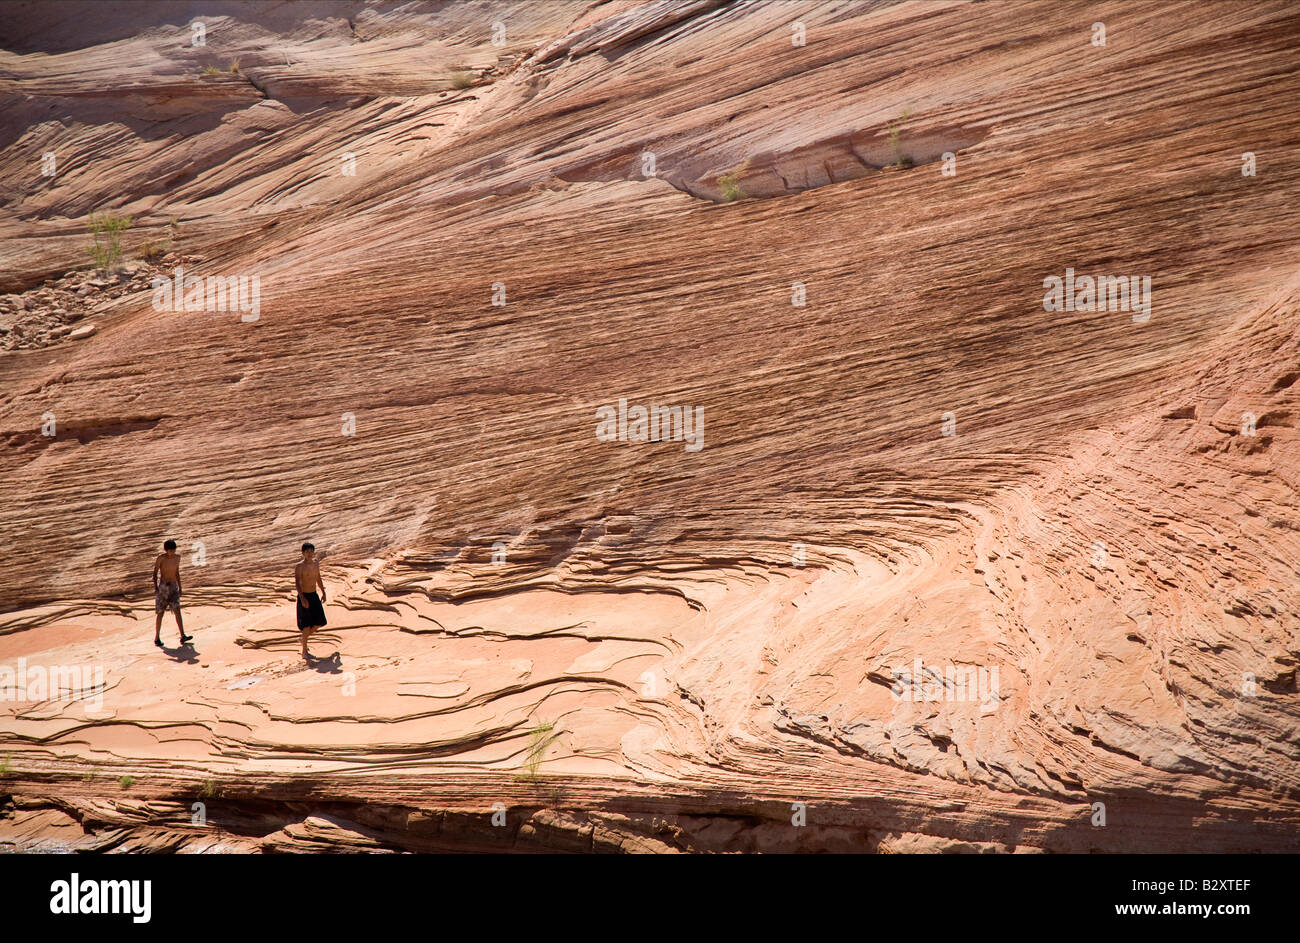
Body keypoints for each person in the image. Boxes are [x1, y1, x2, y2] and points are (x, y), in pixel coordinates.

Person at [153, 539, 191, 647]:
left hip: (173, 586)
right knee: (160, 612)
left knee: (177, 609)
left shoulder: (177, 558)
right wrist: (156, 587)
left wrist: (180, 587)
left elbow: (177, 572)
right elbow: (155, 573)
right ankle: (157, 638)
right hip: (163, 587)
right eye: (170, 550)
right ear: (166, 550)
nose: (172, 552)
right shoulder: (161, 558)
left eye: (174, 550)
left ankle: (183, 635)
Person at [295, 542, 327, 659]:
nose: (309, 554)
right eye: (307, 552)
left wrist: (323, 592)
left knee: (320, 622)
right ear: (303, 553)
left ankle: (303, 638)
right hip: (304, 596)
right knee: (306, 625)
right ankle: (304, 652)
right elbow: (297, 583)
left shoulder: (316, 563)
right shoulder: (299, 566)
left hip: (314, 595)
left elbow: (318, 578)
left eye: (311, 551)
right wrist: (302, 598)